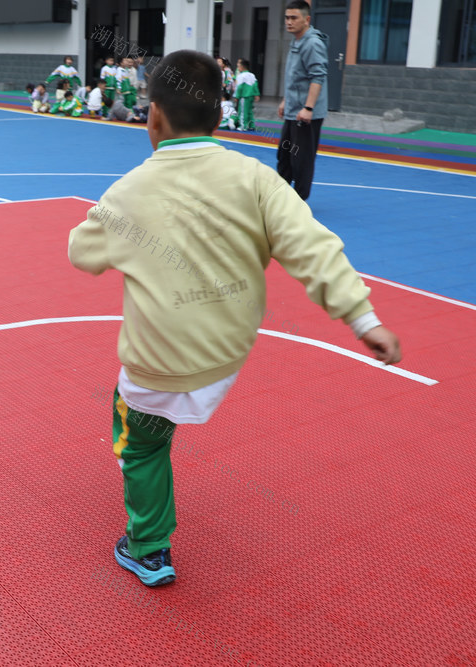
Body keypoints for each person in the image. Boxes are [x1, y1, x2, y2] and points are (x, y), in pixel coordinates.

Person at [68, 49, 401, 588]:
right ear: (221, 115)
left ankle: (147, 547)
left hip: (161, 362)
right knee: (164, 411)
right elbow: (313, 248)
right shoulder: (255, 179)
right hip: (226, 353)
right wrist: (363, 320)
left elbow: (81, 254)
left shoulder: (129, 192)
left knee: (140, 440)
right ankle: (166, 440)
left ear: (152, 116)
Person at [278, 0, 329, 200]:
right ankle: (280, 197)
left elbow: (318, 76)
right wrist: (285, 100)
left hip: (305, 113)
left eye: (294, 18)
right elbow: (295, 76)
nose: (289, 22)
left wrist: (308, 108)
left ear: (306, 20)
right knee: (285, 155)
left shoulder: (312, 43)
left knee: (301, 159)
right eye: (287, 18)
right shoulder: (297, 40)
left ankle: (299, 201)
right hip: (293, 109)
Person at [234, 58, 260, 131]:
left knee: (242, 111)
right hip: (251, 96)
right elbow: (255, 85)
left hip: (244, 96)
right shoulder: (252, 75)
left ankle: (243, 126)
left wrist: (237, 96)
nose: (238, 68)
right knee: (249, 111)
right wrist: (257, 94)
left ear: (242, 67)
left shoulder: (241, 76)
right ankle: (251, 125)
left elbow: (239, 87)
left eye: (238, 66)